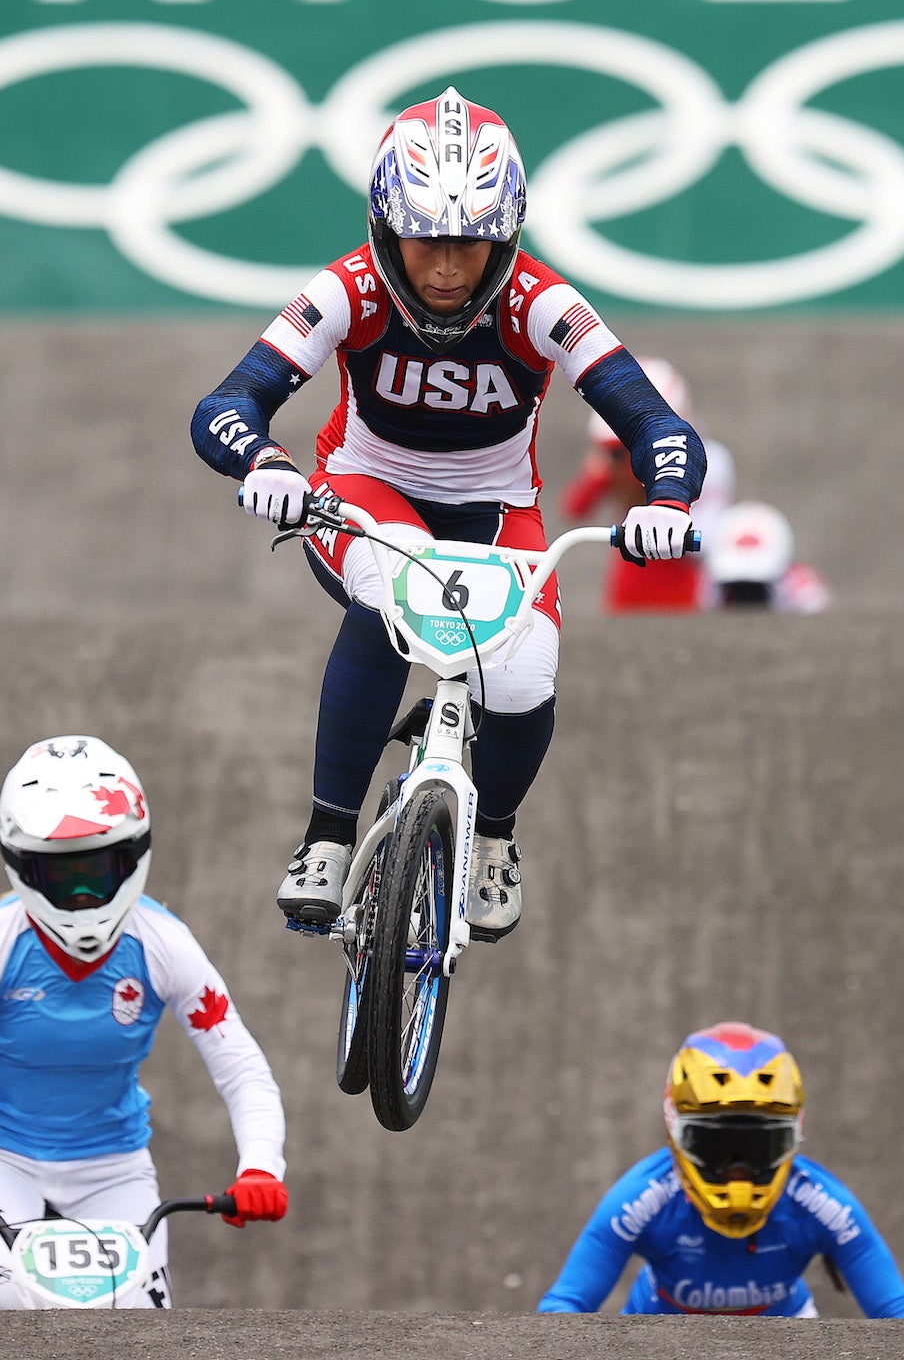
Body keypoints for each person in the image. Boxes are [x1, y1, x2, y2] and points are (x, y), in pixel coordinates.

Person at [192, 86, 705, 941]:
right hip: (364, 486)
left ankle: (496, 834)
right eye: (426, 240)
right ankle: (327, 834)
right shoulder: (348, 289)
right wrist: (264, 460)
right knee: (387, 578)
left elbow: (654, 421)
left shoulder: (543, 301)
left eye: (470, 245)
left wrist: (669, 500)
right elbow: (226, 402)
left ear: (505, 239)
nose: (443, 268)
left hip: (499, 511)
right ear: (387, 230)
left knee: (523, 677)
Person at [0, 736, 287, 1308]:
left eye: (100, 871)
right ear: (25, 871)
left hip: (114, 1168)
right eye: (65, 877)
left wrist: (261, 1168)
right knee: (4, 1303)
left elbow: (241, 1069)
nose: (85, 897)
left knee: (137, 1316)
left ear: (132, 858)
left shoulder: (164, 946)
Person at [538, 1023, 904, 1319]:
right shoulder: (641, 1200)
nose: (737, 1172)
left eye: (759, 1147)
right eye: (716, 1148)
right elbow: (565, 1307)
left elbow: (900, 1316)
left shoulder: (822, 1204)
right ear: (675, 1133)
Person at [560, 357, 732, 614]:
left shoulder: (710, 460)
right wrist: (601, 471)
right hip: (627, 585)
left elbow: (704, 541)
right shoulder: (614, 462)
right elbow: (573, 509)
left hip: (683, 590)